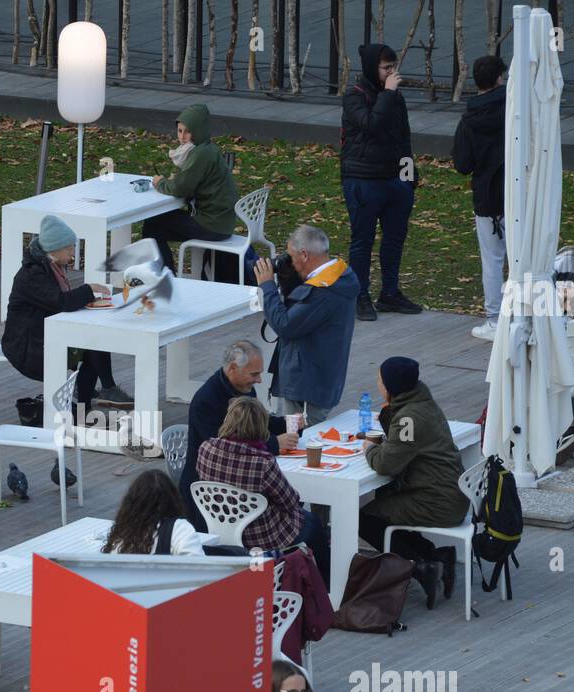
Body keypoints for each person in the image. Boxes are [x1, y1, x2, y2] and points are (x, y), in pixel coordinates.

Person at [2, 215, 133, 415]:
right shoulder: (32, 275)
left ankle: (86, 402)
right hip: (29, 349)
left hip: (44, 336)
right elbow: (62, 301)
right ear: (54, 249)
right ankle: (96, 396)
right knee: (92, 343)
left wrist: (86, 297)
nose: (73, 252)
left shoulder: (49, 266)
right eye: (70, 248)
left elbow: (59, 302)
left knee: (94, 340)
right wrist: (88, 290)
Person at [358, 358, 463, 610]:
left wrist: (370, 449)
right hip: (450, 493)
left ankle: (420, 567)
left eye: (380, 381)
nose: (378, 385)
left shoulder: (409, 417)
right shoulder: (422, 402)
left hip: (436, 500)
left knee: (365, 519)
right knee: (383, 508)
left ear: (391, 386)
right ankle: (434, 555)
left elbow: (386, 465)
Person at [196, 396, 329, 578]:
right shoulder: (262, 463)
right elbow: (290, 502)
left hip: (221, 525)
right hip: (261, 536)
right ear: (260, 425)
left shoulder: (206, 449)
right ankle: (326, 587)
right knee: (314, 524)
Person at [341, 44, 422, 321]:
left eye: (393, 67)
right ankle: (359, 294)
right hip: (363, 179)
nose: (392, 72)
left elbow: (402, 136)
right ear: (372, 68)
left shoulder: (394, 96)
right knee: (362, 240)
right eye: (386, 68)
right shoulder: (354, 95)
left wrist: (409, 175)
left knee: (395, 238)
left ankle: (389, 292)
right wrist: (387, 93)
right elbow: (371, 125)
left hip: (395, 179)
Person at [179, 340, 298, 525]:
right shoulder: (206, 401)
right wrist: (275, 444)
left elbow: (259, 423)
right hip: (210, 496)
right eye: (255, 374)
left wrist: (288, 423)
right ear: (233, 368)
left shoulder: (243, 387)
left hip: (235, 485)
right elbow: (222, 451)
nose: (259, 380)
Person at [253, 225, 360, 427]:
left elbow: (285, 325)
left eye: (291, 257)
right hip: (322, 373)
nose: (289, 262)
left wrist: (267, 286)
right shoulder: (341, 276)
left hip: (306, 380)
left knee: (299, 439)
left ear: (304, 255)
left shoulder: (322, 291)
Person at [144, 104, 241, 282]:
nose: (182, 137)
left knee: (152, 225)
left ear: (198, 130)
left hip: (212, 224)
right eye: (179, 131)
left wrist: (160, 182)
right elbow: (189, 182)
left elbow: (180, 189)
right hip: (222, 221)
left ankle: (167, 279)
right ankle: (165, 276)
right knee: (158, 223)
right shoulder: (208, 148)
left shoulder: (200, 154)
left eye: (187, 132)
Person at [453, 55, 508, 341]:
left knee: (492, 260)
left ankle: (495, 319)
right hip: (515, 193)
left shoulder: (469, 120)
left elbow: (462, 164)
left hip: (487, 197)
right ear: (500, 77)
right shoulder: (514, 110)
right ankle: (529, 314)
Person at [102, 470, 208, 556]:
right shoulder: (179, 528)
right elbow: (198, 567)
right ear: (173, 499)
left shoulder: (121, 532)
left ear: (131, 502)